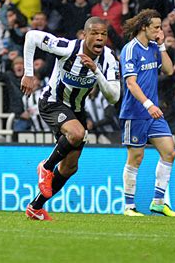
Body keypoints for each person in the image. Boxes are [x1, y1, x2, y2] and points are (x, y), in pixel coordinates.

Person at [21, 17, 120, 221]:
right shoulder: (66, 48)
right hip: (52, 102)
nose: (99, 38)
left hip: (76, 109)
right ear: (85, 35)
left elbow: (114, 96)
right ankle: (46, 167)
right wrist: (28, 74)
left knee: (69, 167)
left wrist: (96, 71)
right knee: (76, 133)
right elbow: (31, 36)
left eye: (103, 34)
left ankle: (35, 207)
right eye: (95, 33)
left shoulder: (109, 58)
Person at [119, 9, 175, 217]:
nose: (159, 31)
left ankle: (159, 202)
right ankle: (129, 207)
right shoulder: (130, 50)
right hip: (135, 112)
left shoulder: (154, 48)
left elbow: (170, 70)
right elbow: (131, 83)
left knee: (169, 152)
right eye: (156, 27)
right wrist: (148, 105)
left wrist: (162, 46)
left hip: (153, 112)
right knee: (136, 157)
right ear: (144, 27)